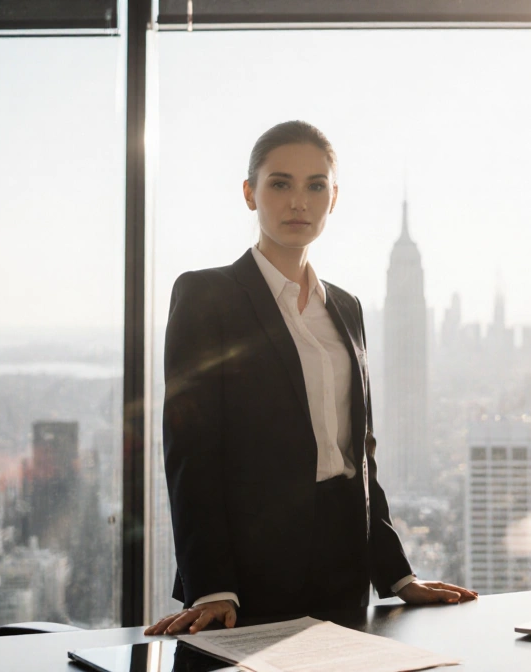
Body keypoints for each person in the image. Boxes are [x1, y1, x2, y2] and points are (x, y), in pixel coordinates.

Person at [145, 121, 477, 637]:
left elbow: (358, 456)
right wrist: (211, 585)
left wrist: (398, 575)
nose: (299, 201)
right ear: (249, 193)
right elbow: (191, 452)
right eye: (280, 183)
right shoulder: (206, 296)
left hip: (343, 568)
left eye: (315, 185)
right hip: (248, 576)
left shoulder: (346, 307)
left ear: (334, 198)